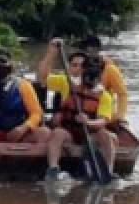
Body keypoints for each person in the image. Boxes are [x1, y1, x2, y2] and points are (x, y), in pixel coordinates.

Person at [41, 51, 116, 179]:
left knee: (106, 136)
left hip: (90, 134)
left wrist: (88, 122)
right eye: (87, 75)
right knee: (57, 133)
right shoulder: (69, 85)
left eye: (93, 76)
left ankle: (108, 170)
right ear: (82, 72)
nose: (89, 79)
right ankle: (53, 168)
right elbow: (43, 77)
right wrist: (52, 51)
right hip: (70, 132)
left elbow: (103, 121)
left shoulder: (104, 96)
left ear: (99, 77)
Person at [37, 35, 129, 125]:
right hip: (71, 120)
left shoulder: (109, 71)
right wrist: (51, 54)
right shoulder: (67, 79)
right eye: (75, 65)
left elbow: (122, 94)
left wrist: (120, 117)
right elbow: (42, 78)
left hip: (100, 116)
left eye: (91, 50)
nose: (88, 53)